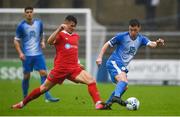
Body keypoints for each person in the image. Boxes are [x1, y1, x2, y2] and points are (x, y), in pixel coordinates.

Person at [12, 15, 105, 110]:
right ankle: (22, 103)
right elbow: (49, 41)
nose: (73, 28)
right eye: (71, 25)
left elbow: (74, 51)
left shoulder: (76, 36)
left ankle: (98, 103)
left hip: (73, 68)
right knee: (43, 88)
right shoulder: (60, 34)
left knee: (91, 80)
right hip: (60, 69)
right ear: (65, 24)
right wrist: (59, 29)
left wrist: (78, 62)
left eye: (74, 26)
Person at [96, 19, 165, 109]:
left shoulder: (141, 39)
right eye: (130, 30)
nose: (132, 32)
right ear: (128, 28)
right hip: (114, 62)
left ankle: (107, 104)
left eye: (135, 30)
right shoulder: (121, 36)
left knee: (124, 87)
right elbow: (107, 44)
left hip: (121, 66)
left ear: (139, 28)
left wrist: (157, 43)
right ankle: (116, 97)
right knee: (124, 81)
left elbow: (151, 44)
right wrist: (100, 57)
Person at [13, 6, 59, 102]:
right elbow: (16, 41)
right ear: (25, 14)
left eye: (30, 12)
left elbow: (42, 33)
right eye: (27, 12)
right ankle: (25, 96)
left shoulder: (39, 23)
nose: (29, 13)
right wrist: (20, 53)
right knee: (26, 76)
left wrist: (42, 41)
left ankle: (47, 96)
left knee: (44, 73)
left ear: (33, 13)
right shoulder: (21, 26)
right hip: (27, 55)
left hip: (38, 54)